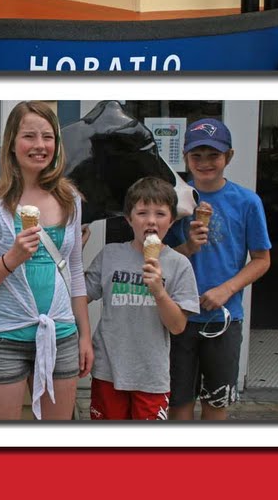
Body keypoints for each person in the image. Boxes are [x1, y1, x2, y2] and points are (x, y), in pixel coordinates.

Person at [0, 101, 92, 420]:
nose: (39, 145)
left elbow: (72, 272)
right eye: (29, 136)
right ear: (12, 144)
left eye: (48, 137)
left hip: (60, 335)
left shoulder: (69, 200)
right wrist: (11, 259)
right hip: (2, 338)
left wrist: (85, 335)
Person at [168, 117, 272, 421]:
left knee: (216, 403)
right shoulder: (175, 200)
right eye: (196, 155)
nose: (204, 163)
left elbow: (262, 260)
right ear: (185, 157)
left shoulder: (247, 202)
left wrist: (227, 289)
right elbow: (157, 255)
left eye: (213, 155)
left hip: (224, 320)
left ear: (229, 156)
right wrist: (187, 247)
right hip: (178, 318)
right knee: (178, 403)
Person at [85, 177, 199, 420]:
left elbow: (178, 326)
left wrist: (159, 291)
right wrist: (74, 251)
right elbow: (79, 296)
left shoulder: (179, 265)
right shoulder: (111, 255)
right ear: (128, 219)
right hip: (108, 370)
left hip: (151, 375)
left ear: (171, 220)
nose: (150, 220)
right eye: (142, 213)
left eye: (160, 213)